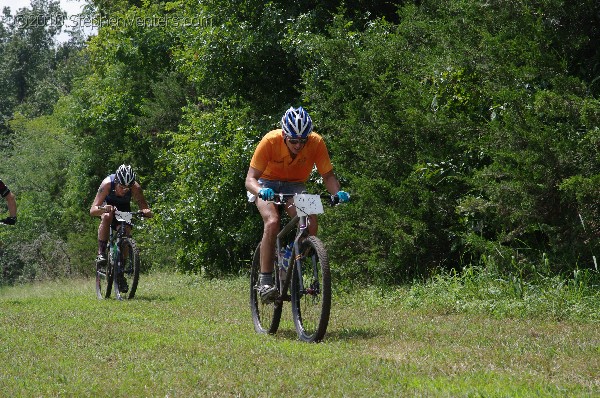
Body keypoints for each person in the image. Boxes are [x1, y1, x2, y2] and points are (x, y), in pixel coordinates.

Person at [245, 106, 350, 302]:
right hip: (265, 183)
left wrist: (337, 193)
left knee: (311, 221)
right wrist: (261, 190)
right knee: (272, 221)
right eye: (293, 140)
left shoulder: (316, 142)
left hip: (295, 185)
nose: (298, 145)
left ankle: (289, 257)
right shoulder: (270, 141)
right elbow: (250, 179)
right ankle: (265, 280)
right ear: (284, 134)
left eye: (303, 140)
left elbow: (328, 175)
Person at [89, 164, 153, 292]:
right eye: (122, 187)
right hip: (108, 206)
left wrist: (147, 212)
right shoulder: (107, 184)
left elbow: (144, 207)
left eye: (127, 188)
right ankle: (101, 252)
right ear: (116, 182)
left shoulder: (135, 188)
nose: (125, 190)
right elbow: (92, 210)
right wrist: (103, 209)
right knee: (107, 216)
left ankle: (120, 273)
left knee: (126, 234)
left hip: (124, 209)